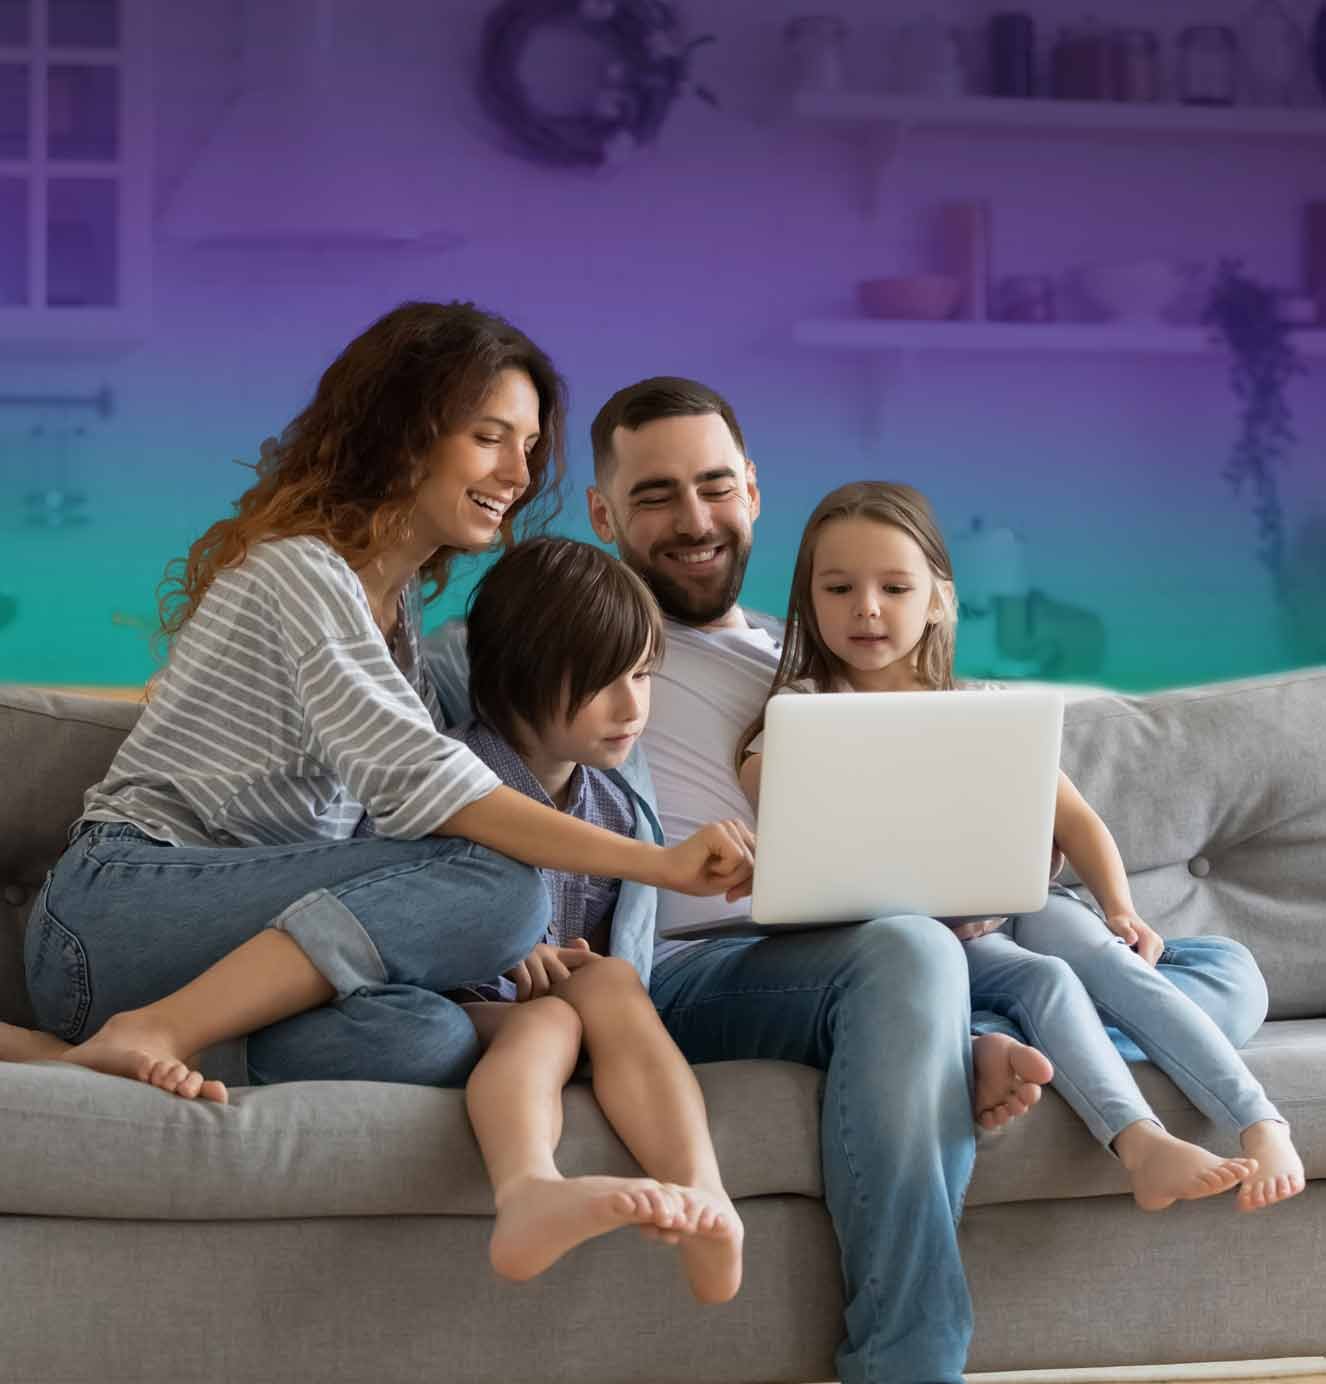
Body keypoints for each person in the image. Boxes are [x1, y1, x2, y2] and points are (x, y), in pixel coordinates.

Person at [434, 375, 1275, 1384]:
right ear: (607, 514)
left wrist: (1006, 852)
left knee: (1225, 972)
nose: (694, 520)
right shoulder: (557, 643)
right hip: (704, 967)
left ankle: (956, 1038)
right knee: (916, 949)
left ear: (751, 489)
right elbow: (426, 756)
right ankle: (909, 1357)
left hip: (888, 947)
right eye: (656, 496)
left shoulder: (804, 658)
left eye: (714, 486)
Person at [0, 305, 754, 1105]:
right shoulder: (301, 575)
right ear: (406, 433)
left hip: (219, 945)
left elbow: (424, 790)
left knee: (426, 1037)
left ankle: (84, 1050)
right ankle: (154, 1032)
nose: (520, 475)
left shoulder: (397, 621)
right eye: (490, 437)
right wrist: (660, 861)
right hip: (120, 911)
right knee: (501, 888)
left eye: (529, 447)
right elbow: (427, 787)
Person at [734, 479, 1304, 1218]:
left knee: (1112, 958)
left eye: (894, 587)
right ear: (808, 602)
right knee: (1049, 982)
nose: (866, 608)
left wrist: (1121, 909)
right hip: (932, 942)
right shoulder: (802, 719)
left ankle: (1262, 1123)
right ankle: (1140, 1141)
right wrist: (778, 763)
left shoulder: (980, 710)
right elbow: (775, 804)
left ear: (937, 598)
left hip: (1023, 902)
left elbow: (1079, 823)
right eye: (838, 588)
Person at [447, 535, 743, 1302]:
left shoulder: (612, 804)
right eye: (602, 682)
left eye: (642, 674)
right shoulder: (452, 782)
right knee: (552, 1024)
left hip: (565, 1008)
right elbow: (399, 914)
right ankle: (531, 1188)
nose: (633, 705)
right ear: (516, 680)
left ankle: (706, 1196)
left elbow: (606, 951)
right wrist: (501, 951)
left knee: (609, 984)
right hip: (458, 1006)